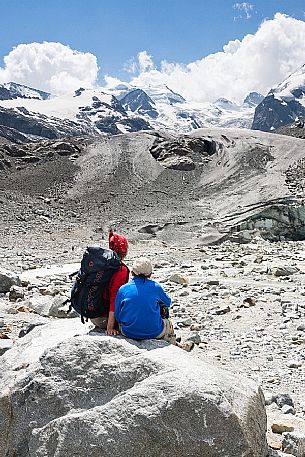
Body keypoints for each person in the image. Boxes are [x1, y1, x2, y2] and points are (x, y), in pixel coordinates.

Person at [114, 257, 176, 344]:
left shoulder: (123, 289)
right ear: (150, 274)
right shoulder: (155, 287)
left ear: (132, 273)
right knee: (167, 322)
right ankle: (173, 343)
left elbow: (117, 314)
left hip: (128, 332)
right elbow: (168, 303)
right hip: (154, 332)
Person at [90, 230, 129, 335]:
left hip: (93, 314)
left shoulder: (104, 263)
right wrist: (110, 328)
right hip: (103, 318)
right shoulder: (121, 270)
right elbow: (114, 299)